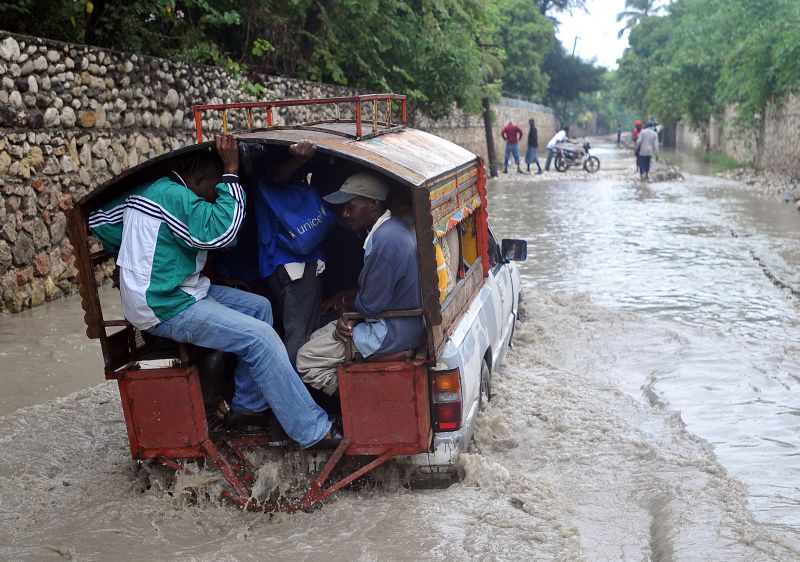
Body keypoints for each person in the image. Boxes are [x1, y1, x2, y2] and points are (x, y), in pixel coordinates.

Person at [87, 135, 338, 448]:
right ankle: (312, 430)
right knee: (260, 337)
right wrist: (231, 172)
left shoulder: (155, 191)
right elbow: (224, 233)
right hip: (163, 304)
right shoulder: (174, 197)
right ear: (200, 178)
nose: (215, 195)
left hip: (180, 290)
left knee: (260, 308)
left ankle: (247, 407)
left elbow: (100, 219)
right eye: (214, 187)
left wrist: (133, 259)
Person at [296, 173, 425, 396]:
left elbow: (370, 306)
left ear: (373, 205)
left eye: (350, 207)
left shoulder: (385, 242)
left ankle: (358, 397)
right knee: (316, 337)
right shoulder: (395, 227)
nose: (344, 214)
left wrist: (347, 308)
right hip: (406, 323)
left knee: (305, 359)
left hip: (389, 331)